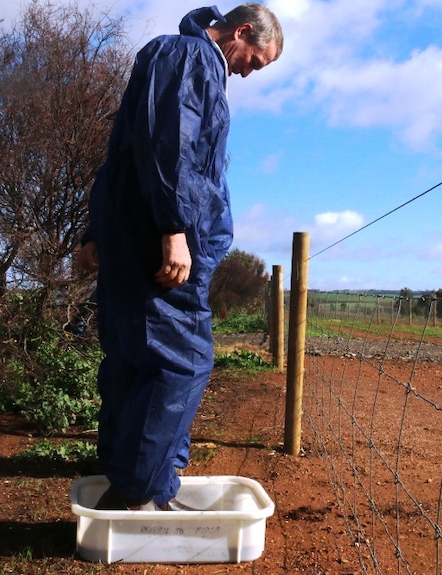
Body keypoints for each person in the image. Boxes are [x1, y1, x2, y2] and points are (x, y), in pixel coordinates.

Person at [77, 4, 283, 511]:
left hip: (134, 236)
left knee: (134, 357)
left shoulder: (180, 58)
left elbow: (122, 153)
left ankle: (134, 479)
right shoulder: (191, 55)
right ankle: (139, 492)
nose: (247, 71)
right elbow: (168, 148)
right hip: (158, 243)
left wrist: (94, 230)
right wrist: (174, 230)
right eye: (254, 61)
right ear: (241, 33)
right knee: (183, 362)